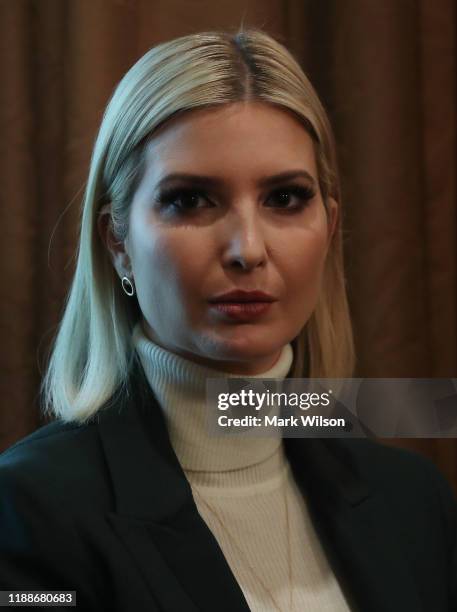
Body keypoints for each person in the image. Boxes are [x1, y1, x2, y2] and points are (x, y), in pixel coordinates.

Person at [0, 28, 455, 612]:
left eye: (285, 199)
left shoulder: (413, 501)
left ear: (330, 227)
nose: (247, 248)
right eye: (191, 200)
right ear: (117, 241)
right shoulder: (30, 510)